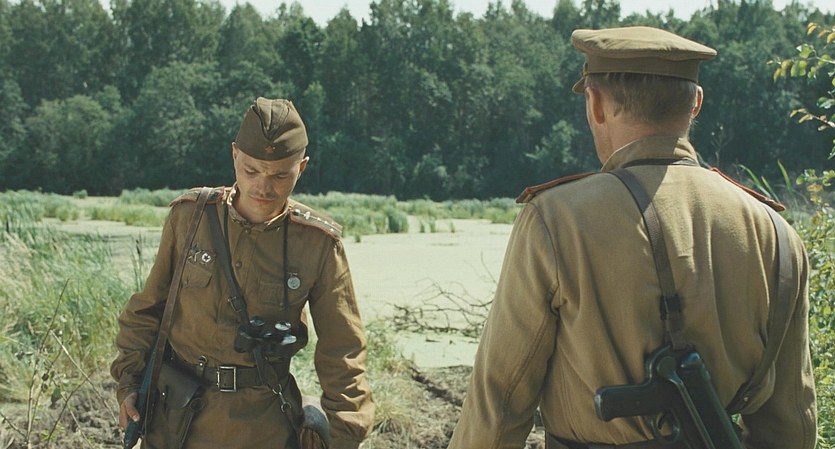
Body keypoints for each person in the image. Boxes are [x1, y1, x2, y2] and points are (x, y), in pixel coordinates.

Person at [448, 26, 816, 449]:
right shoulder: (775, 233)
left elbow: (499, 402)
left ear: (596, 103)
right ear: (696, 103)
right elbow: (791, 421)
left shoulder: (556, 220)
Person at [111, 98, 375, 449]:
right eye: (251, 170)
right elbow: (146, 311)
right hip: (175, 421)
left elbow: (343, 351)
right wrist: (129, 384)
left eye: (280, 174)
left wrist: (342, 435)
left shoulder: (318, 244)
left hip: (262, 426)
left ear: (302, 167)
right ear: (234, 155)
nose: (263, 187)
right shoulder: (190, 218)